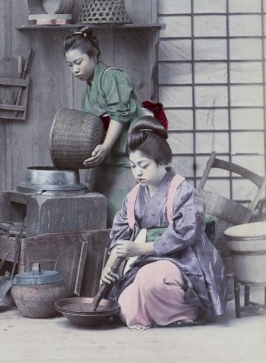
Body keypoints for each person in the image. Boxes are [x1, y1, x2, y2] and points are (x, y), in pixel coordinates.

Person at [100, 118, 228, 330]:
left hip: (186, 260)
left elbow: (184, 233)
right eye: (133, 166)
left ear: (164, 162)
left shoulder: (183, 191)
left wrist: (139, 249)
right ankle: (159, 311)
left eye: (144, 165)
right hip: (148, 260)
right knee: (125, 307)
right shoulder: (133, 197)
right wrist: (109, 266)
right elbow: (120, 237)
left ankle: (189, 311)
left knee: (150, 281)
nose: (137, 172)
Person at [64, 26, 153, 222]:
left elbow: (118, 116)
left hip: (130, 159)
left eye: (79, 62)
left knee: (123, 219)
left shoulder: (112, 77)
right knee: (95, 214)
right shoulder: (88, 92)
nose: (75, 69)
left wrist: (104, 147)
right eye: (70, 65)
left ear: (94, 55)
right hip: (108, 160)